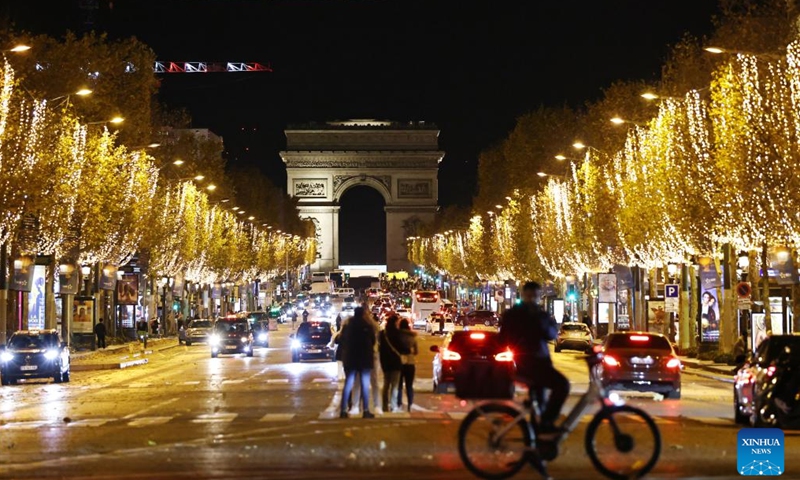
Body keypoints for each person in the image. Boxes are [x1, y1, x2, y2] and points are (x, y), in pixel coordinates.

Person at [498, 281, 569, 438]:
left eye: (533, 296)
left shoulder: (512, 314)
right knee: (562, 385)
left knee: (539, 402)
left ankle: (536, 438)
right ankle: (546, 423)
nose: (532, 299)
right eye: (531, 296)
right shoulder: (537, 315)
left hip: (523, 363)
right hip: (535, 364)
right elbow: (551, 334)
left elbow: (502, 339)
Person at [339, 307, 377, 419]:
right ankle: (365, 410)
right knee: (365, 385)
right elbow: (373, 341)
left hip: (350, 358)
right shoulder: (367, 326)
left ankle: (343, 410)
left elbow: (341, 340)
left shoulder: (347, 326)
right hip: (365, 358)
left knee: (348, 385)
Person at [379, 314, 403, 413]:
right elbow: (401, 348)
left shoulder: (382, 334)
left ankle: (384, 406)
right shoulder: (398, 333)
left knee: (386, 384)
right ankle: (393, 405)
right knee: (394, 385)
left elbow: (379, 348)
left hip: (385, 361)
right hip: (396, 361)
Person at [396, 318, 419, 412]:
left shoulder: (397, 336)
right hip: (410, 362)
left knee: (399, 385)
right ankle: (410, 404)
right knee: (409, 385)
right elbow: (416, 351)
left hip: (399, 361)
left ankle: (399, 404)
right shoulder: (412, 336)